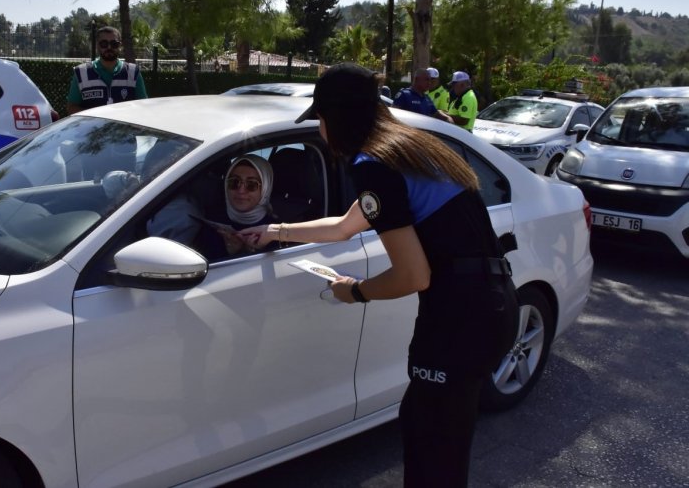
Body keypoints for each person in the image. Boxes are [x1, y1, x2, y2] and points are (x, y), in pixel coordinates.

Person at [239, 62, 518, 487]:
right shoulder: (408, 147)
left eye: (319, 119)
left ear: (336, 119)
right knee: (439, 442)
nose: (319, 130)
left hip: (458, 321)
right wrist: (274, 232)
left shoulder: (374, 165)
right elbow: (344, 227)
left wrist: (354, 292)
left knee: (431, 448)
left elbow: (412, 275)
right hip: (492, 304)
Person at [194, 154, 277, 259]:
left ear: (265, 189)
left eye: (251, 184)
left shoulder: (274, 232)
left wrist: (246, 253)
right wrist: (230, 252)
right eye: (234, 182)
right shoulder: (211, 219)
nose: (241, 191)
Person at [66, 26, 148, 114]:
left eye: (114, 44)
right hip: (94, 127)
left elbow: (143, 106)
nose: (109, 47)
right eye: (104, 44)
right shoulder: (81, 73)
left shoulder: (133, 72)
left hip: (123, 127)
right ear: (97, 45)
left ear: (120, 46)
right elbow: (72, 107)